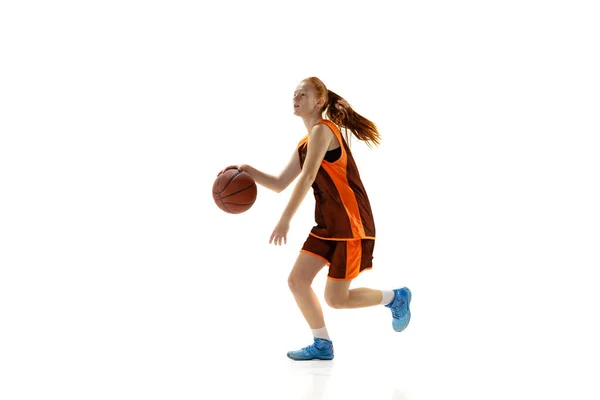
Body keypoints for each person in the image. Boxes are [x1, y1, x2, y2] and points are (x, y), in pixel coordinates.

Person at [218, 77, 411, 360]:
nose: (295, 97)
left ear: (319, 102)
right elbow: (280, 182)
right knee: (297, 281)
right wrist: (248, 171)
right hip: (327, 225)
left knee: (336, 299)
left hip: (350, 224)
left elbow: (308, 176)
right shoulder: (306, 143)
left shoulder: (323, 131)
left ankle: (396, 297)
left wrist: (285, 220)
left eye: (303, 94)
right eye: (294, 93)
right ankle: (322, 344)